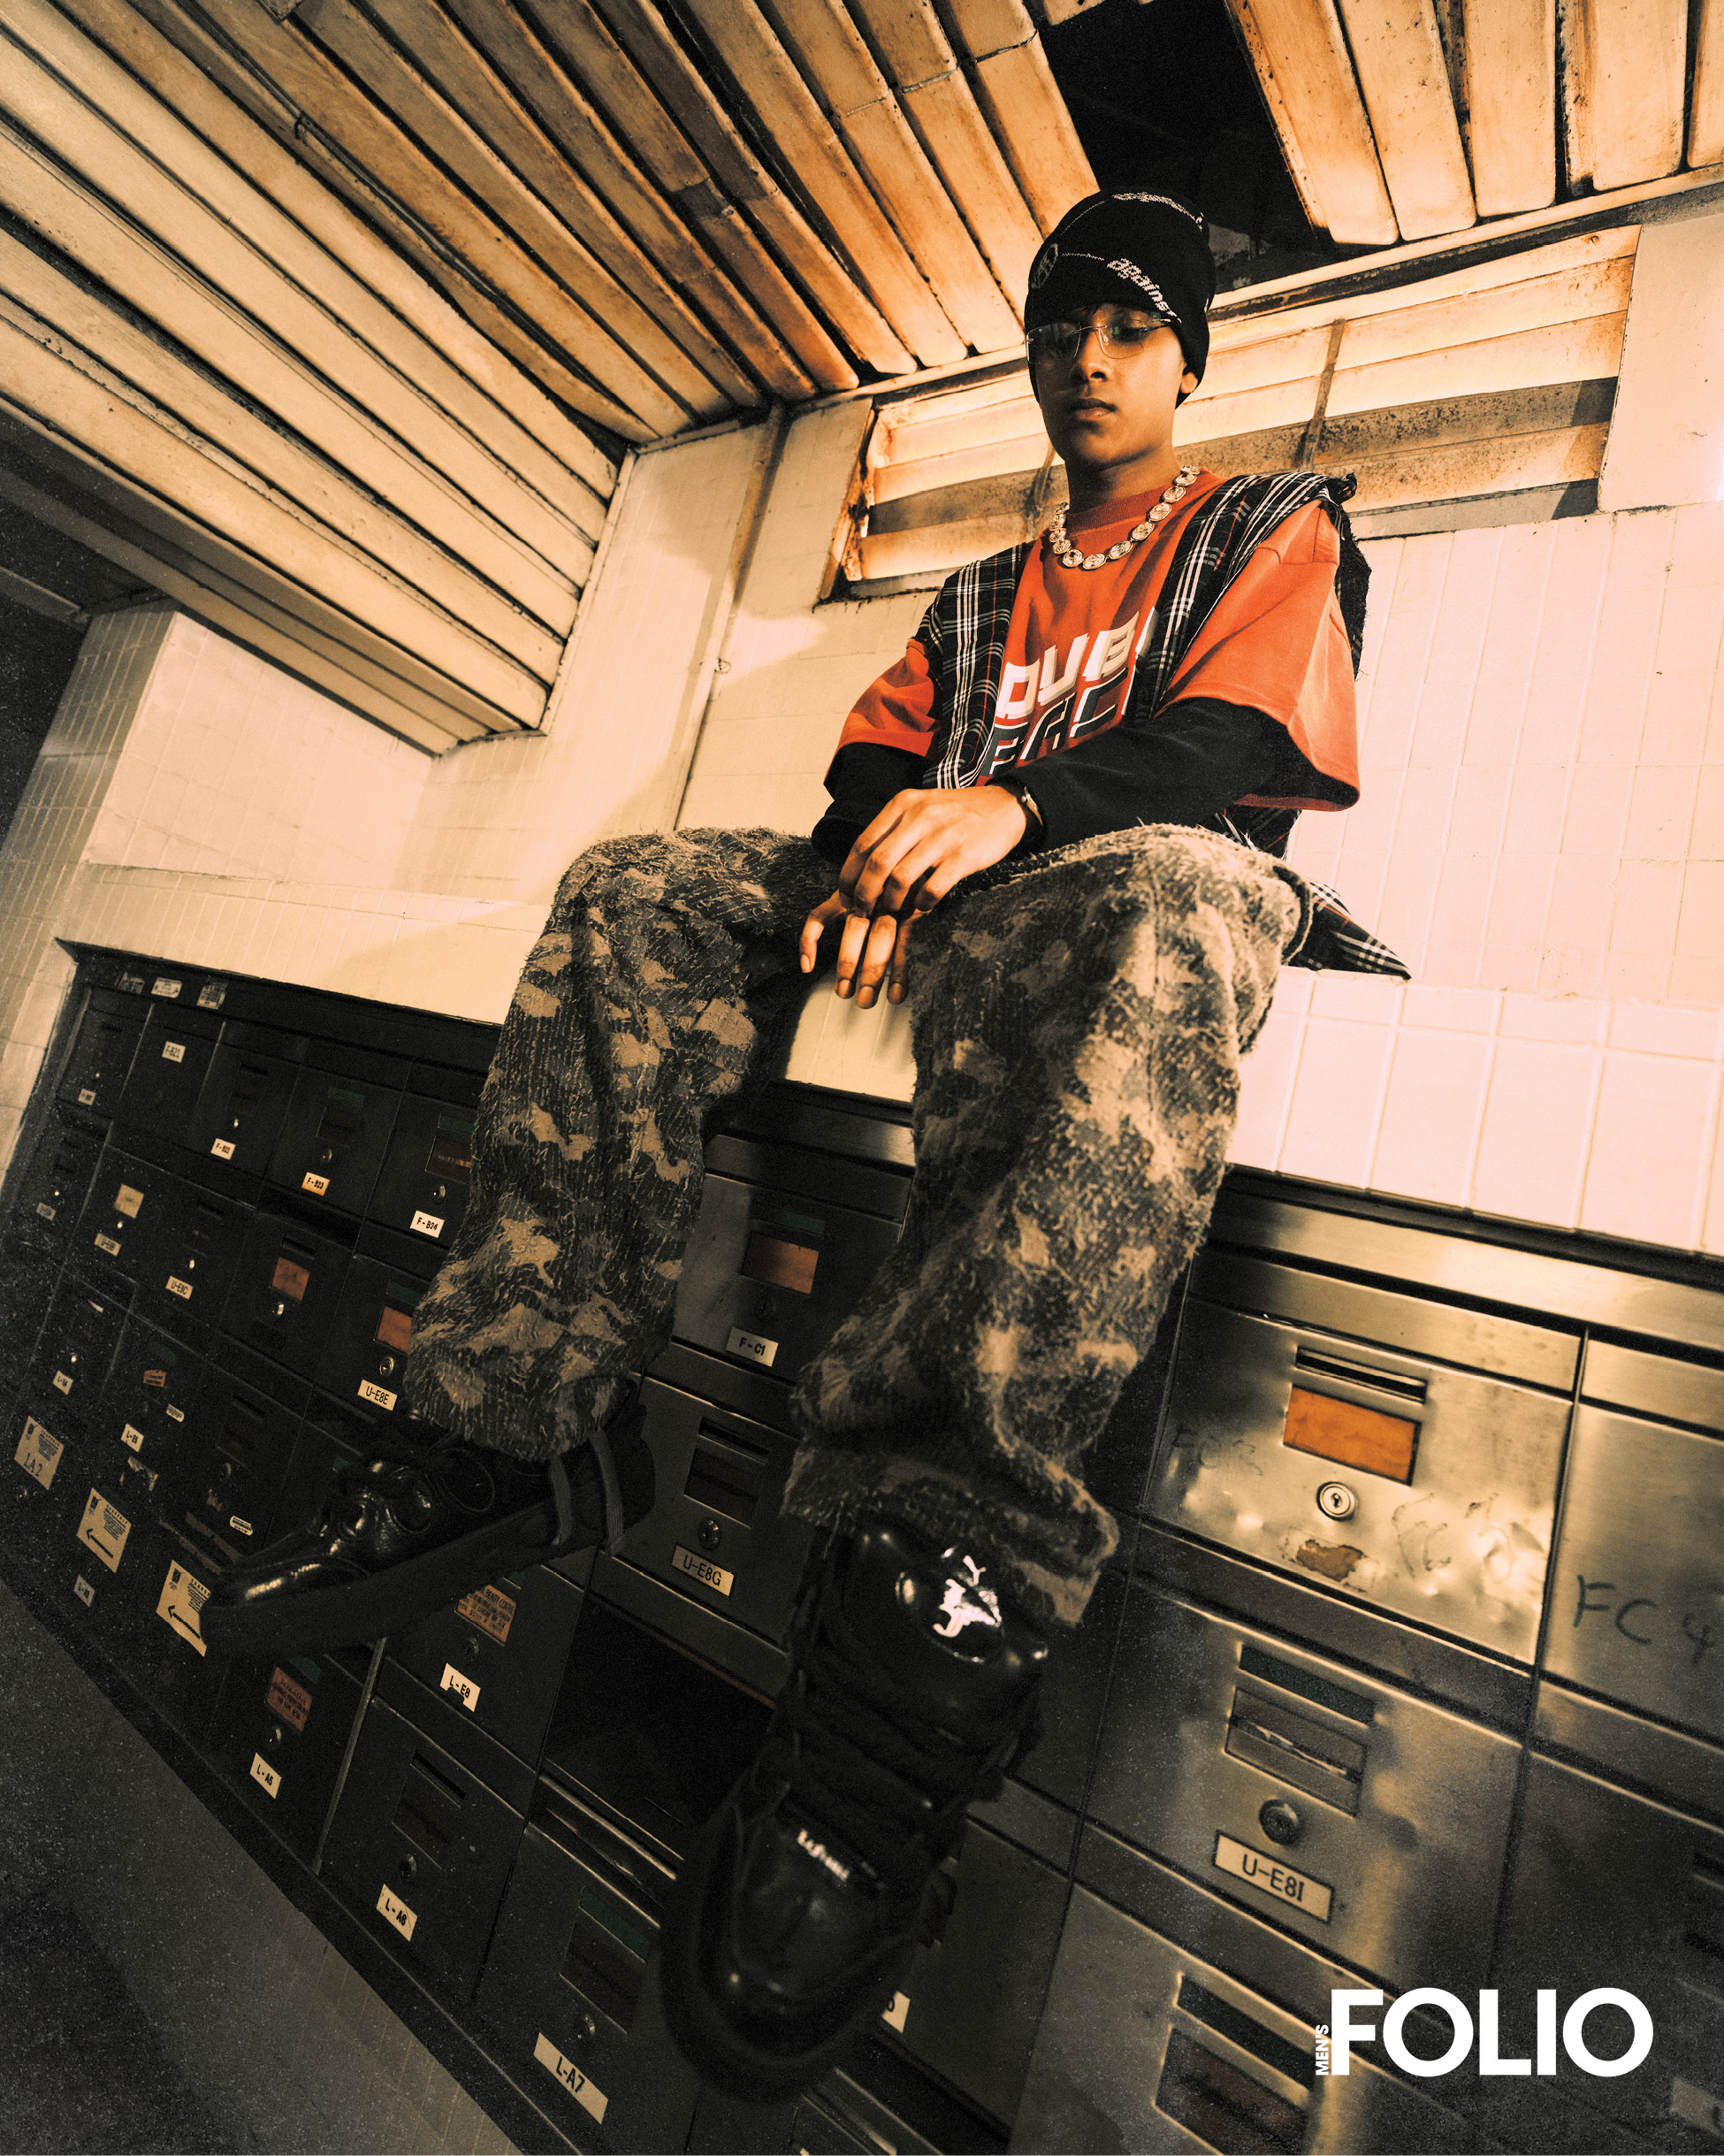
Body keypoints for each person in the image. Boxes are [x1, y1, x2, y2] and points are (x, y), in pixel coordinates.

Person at [202, 192, 1403, 2101]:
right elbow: (870, 771)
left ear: (1186, 358)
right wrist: (866, 862)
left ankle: (932, 1607)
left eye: (1128, 327)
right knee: (634, 889)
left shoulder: (1268, 524)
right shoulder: (980, 595)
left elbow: (1232, 749)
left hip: (1112, 881)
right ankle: (514, 1429)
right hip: (956, 878)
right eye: (1060, 328)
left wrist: (1012, 811)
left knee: (1175, 898)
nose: (1087, 359)